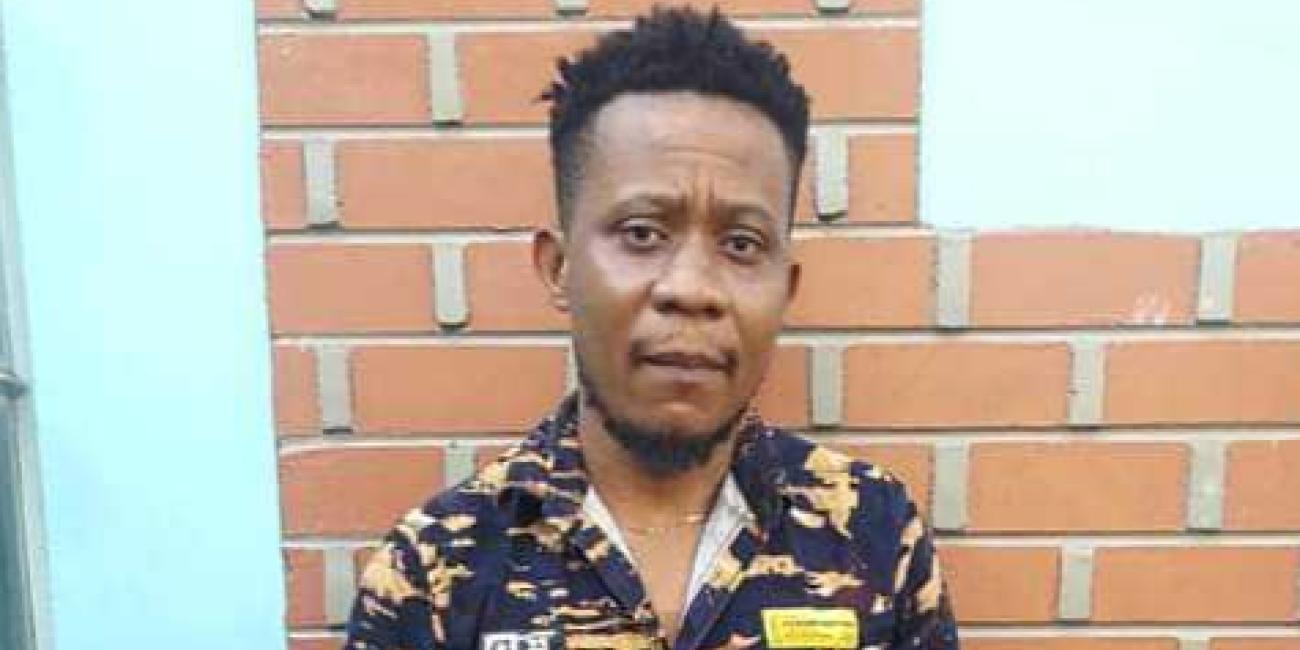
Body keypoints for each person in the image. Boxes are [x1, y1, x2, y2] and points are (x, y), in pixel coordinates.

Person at [343, 7, 958, 649]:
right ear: (558, 269)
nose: (690, 289)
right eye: (642, 233)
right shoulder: (437, 570)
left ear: (786, 289)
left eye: (742, 244)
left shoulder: (874, 534)